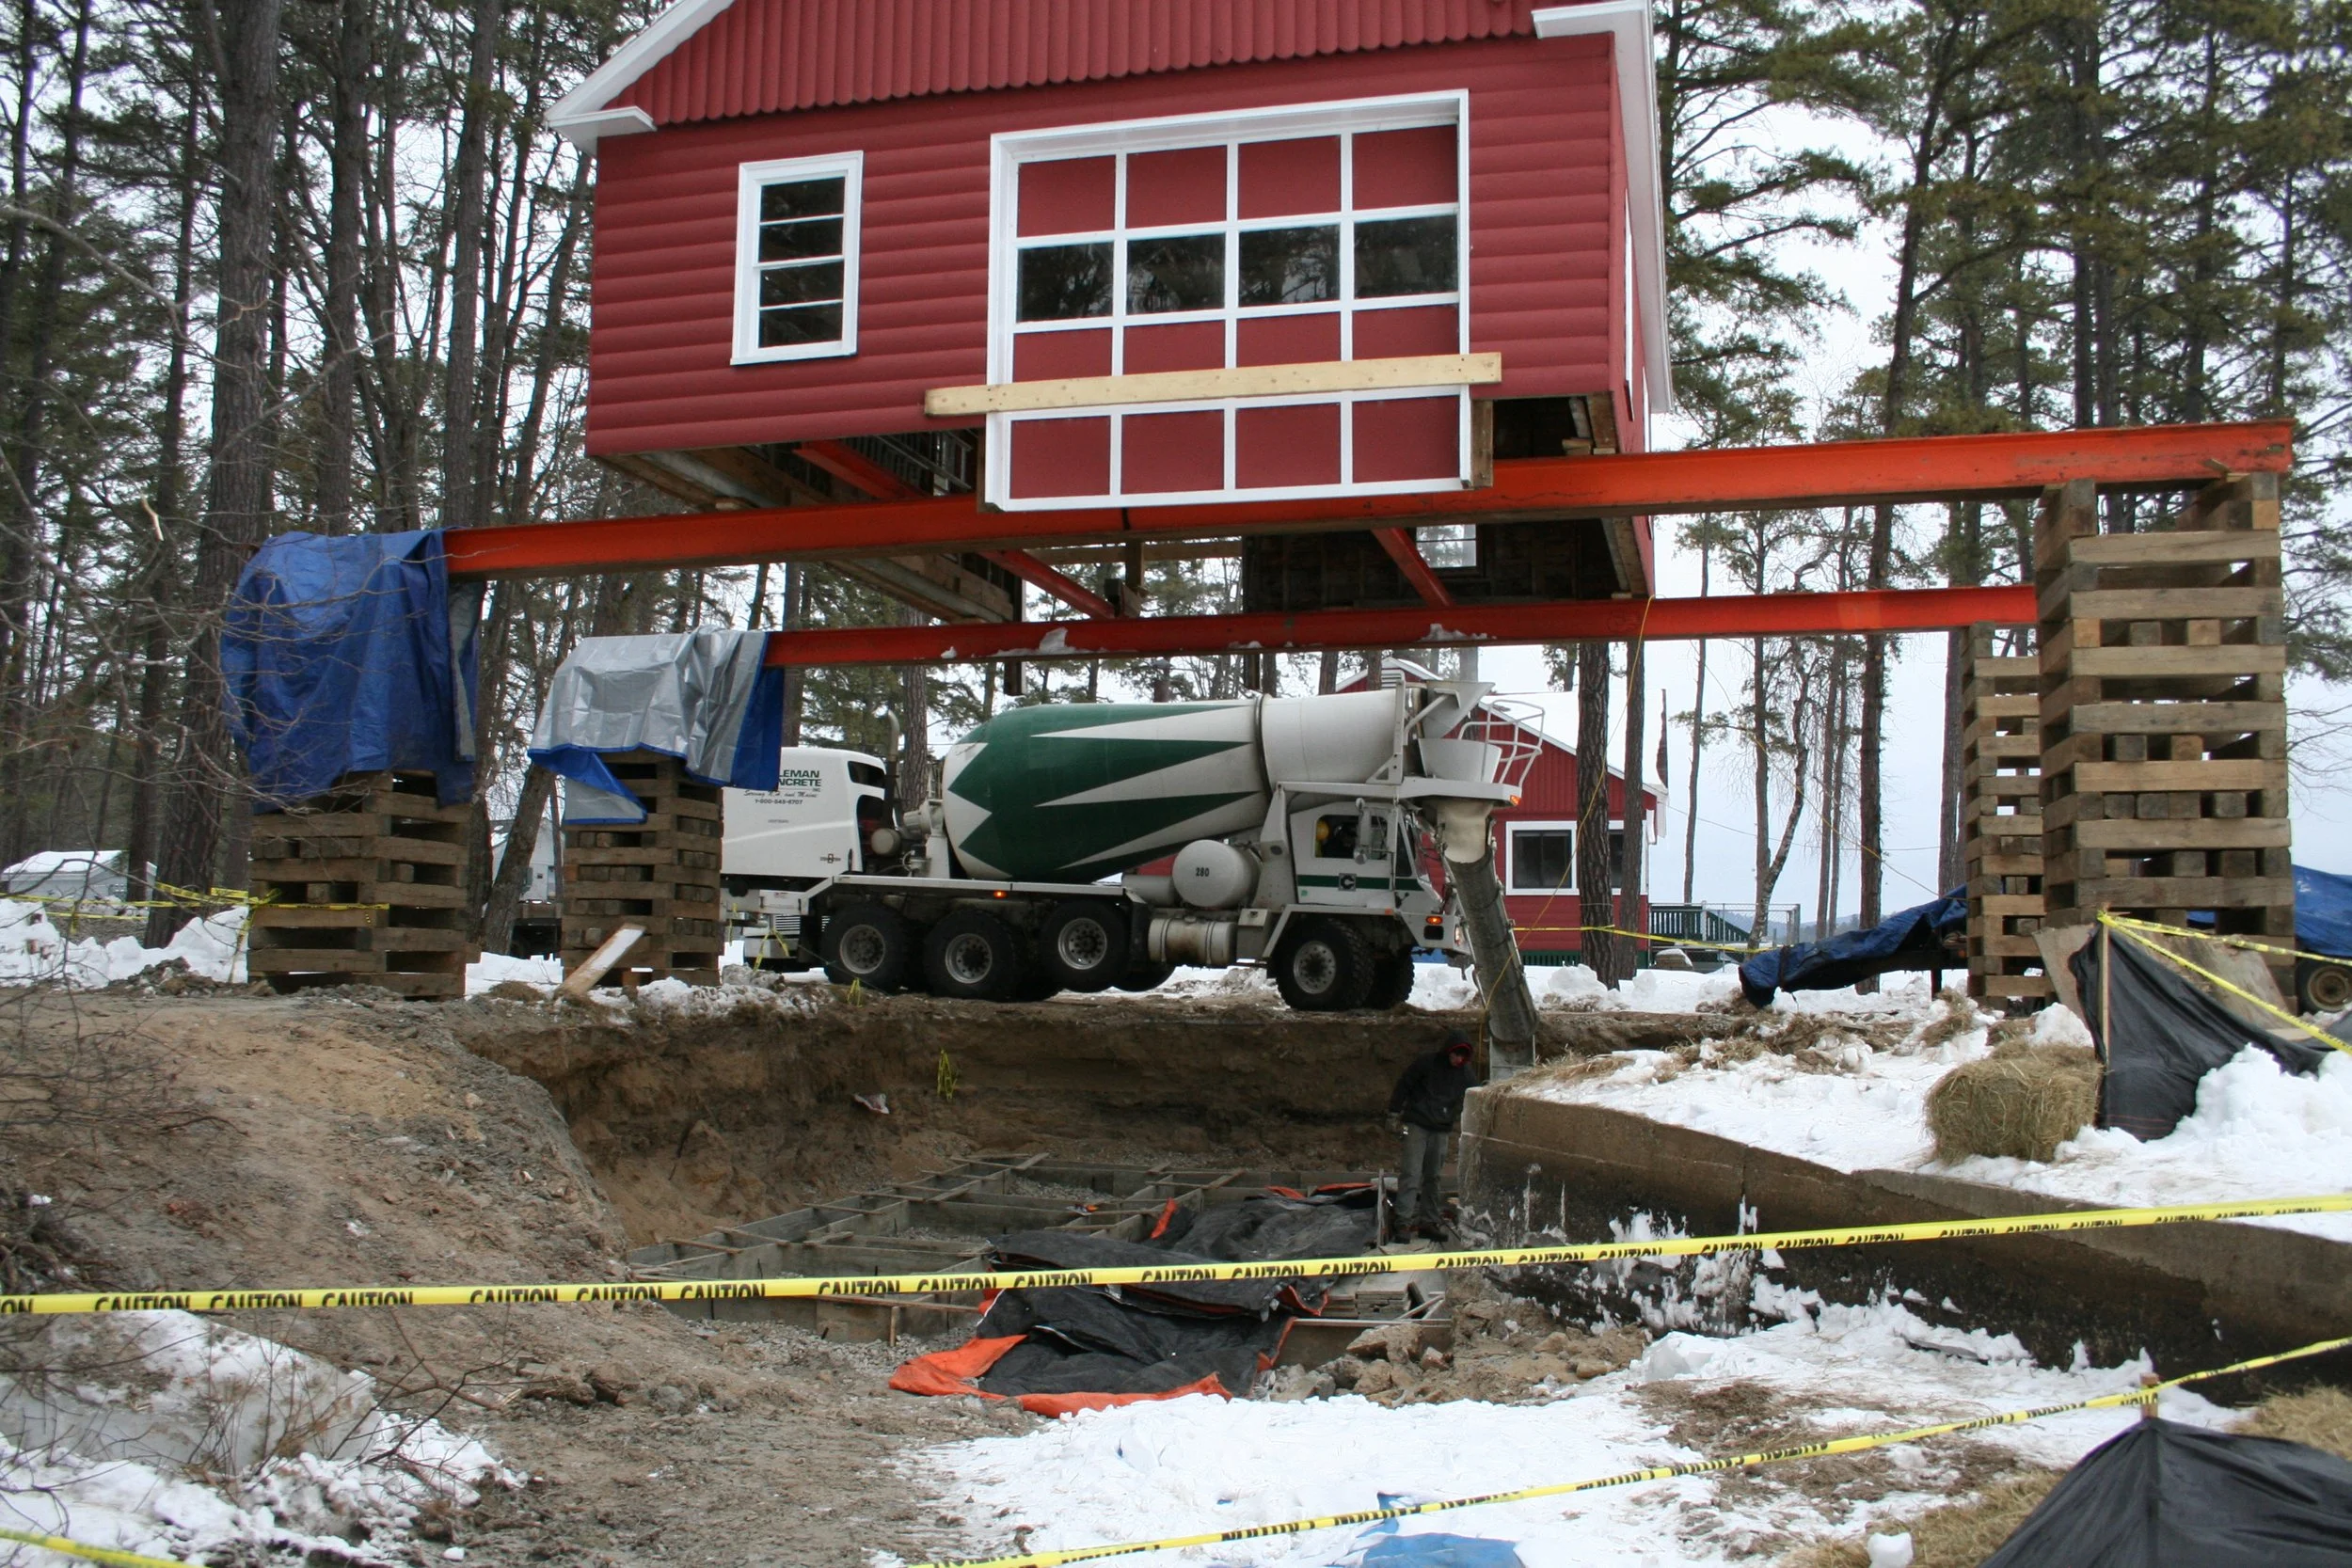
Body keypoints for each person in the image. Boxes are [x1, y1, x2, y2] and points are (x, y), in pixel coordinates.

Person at [1387, 1028, 1478, 1238]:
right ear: (1449, 1051)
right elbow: (1404, 1084)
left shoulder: (1465, 1074)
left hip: (1441, 1129)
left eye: (1463, 1057)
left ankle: (1428, 1222)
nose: (1459, 1060)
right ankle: (1403, 1223)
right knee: (1411, 1173)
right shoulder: (1426, 1063)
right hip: (1417, 1124)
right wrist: (1393, 1112)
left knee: (1433, 1177)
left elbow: (1475, 1096)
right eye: (1456, 1055)